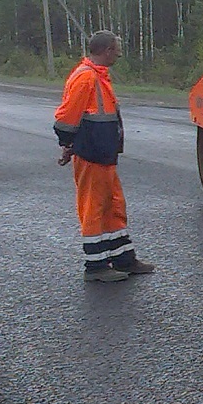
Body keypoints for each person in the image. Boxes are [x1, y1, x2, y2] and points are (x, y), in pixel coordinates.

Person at [54, 31, 151, 283]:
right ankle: (95, 266)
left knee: (113, 205)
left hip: (103, 154)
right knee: (94, 208)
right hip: (92, 154)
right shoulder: (86, 78)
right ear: (107, 50)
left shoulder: (98, 77)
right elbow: (66, 118)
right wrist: (68, 145)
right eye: (117, 49)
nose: (119, 54)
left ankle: (123, 258)